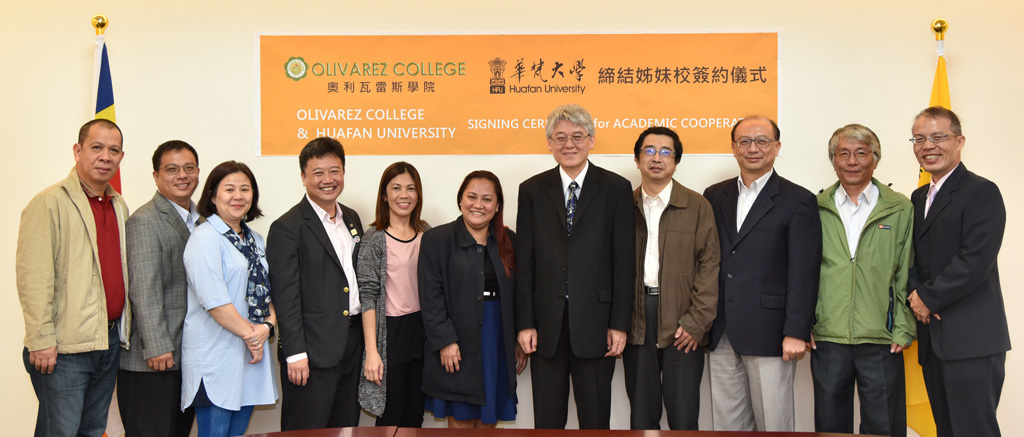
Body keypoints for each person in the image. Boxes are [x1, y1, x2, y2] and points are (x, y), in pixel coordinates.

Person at [516, 104, 635, 429]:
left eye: (577, 137)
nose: (569, 144)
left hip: (597, 324)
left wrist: (619, 324)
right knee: (547, 421)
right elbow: (525, 263)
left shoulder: (616, 188)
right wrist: (525, 323)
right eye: (560, 137)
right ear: (549, 143)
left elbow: (624, 263)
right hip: (545, 327)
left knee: (595, 421)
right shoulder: (531, 190)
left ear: (591, 140)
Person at [702, 115, 821, 432]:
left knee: (773, 424)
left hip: (771, 333)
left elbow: (804, 272)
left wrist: (796, 331)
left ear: (777, 147)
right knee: (728, 424)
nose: (752, 148)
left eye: (762, 141)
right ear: (734, 148)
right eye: (744, 141)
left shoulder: (799, 200)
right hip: (721, 331)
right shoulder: (714, 195)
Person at [17, 119, 131, 437]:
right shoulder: (49, 203)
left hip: (107, 341)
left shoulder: (118, 205)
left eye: (113, 150)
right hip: (63, 349)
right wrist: (41, 340)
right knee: (60, 432)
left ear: (121, 157)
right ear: (78, 151)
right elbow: (33, 278)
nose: (105, 156)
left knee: (92, 430)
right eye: (97, 148)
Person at [907, 106, 1009, 437]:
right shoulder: (918, 197)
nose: (928, 146)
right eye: (919, 139)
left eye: (938, 137)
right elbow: (913, 256)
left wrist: (928, 298)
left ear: (959, 141)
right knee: (946, 430)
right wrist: (915, 296)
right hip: (932, 340)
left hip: (971, 341)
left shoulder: (981, 191)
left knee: (974, 430)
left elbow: (975, 260)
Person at [810, 124, 915, 436]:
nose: (852, 161)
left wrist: (903, 327)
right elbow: (802, 272)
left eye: (861, 153)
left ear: (875, 159)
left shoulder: (900, 208)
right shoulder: (814, 208)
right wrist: (804, 322)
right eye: (844, 154)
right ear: (834, 161)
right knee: (830, 426)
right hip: (828, 336)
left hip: (881, 337)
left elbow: (906, 271)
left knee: (883, 425)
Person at [624, 126, 720, 430]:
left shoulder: (697, 206)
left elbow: (709, 266)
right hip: (637, 319)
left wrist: (696, 322)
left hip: (684, 322)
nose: (657, 158)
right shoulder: (623, 206)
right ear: (637, 159)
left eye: (666, 152)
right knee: (642, 414)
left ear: (676, 161)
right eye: (649, 151)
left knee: (684, 414)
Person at [267, 137, 364, 430]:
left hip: (352, 344)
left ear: (343, 172)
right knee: (306, 430)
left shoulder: (352, 218)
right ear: (303, 177)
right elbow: (285, 297)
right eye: (318, 173)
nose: (327, 180)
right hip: (311, 353)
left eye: (334, 171)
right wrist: (295, 353)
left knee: (345, 427)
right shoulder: (287, 227)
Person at [420, 171, 526, 428]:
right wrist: (445, 341)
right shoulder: (437, 240)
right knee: (461, 420)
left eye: (487, 199)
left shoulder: (509, 241)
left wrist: (518, 337)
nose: (478, 205)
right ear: (460, 200)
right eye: (471, 197)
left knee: (489, 419)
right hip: (457, 339)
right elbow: (430, 297)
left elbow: (520, 293)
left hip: (497, 337)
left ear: (497, 206)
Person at [182, 160, 277, 437]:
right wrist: (254, 337)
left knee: (236, 433)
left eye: (245, 189)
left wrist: (267, 327)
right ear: (212, 196)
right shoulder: (204, 238)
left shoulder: (255, 239)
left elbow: (266, 291)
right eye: (229, 189)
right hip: (217, 355)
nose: (238, 196)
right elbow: (215, 303)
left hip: (249, 354)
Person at [118, 140, 201, 437]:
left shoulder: (202, 220)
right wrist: (156, 346)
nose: (182, 175)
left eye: (189, 168)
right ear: (156, 176)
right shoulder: (145, 220)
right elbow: (143, 288)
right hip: (154, 360)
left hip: (187, 355)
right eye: (172, 169)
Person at [357, 162, 430, 426]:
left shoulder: (427, 233)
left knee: (415, 415)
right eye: (396, 188)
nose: (404, 195)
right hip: (391, 334)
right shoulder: (374, 238)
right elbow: (367, 295)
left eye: (411, 188)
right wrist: (372, 351)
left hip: (422, 333)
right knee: (391, 416)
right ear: (385, 195)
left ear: (418, 194)